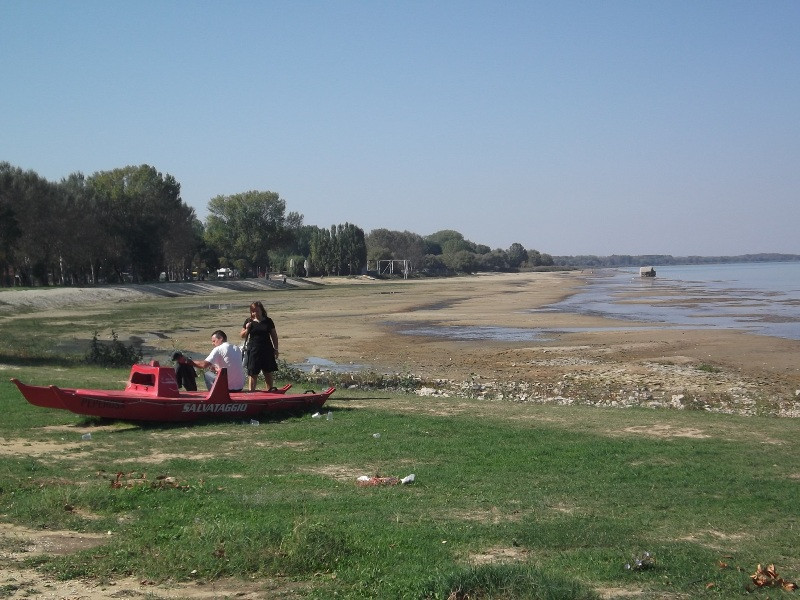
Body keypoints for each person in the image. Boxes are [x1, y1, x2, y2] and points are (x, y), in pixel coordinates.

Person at [240, 301, 279, 391]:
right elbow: (242, 335)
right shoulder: (248, 321)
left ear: (261, 310)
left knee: (267, 371)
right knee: (253, 373)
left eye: (257, 310)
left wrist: (276, 349)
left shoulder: (268, 321)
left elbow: (274, 336)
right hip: (253, 349)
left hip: (267, 349)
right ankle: (251, 393)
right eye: (253, 311)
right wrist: (247, 328)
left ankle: (270, 391)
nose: (255, 313)